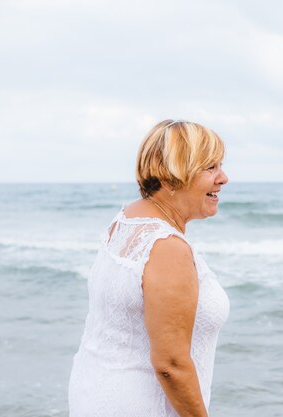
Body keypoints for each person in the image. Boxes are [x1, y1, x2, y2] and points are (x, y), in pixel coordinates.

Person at [68, 119, 230, 417]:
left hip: (94, 393)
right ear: (173, 174)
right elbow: (171, 364)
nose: (224, 178)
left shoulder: (128, 219)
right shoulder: (167, 247)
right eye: (211, 168)